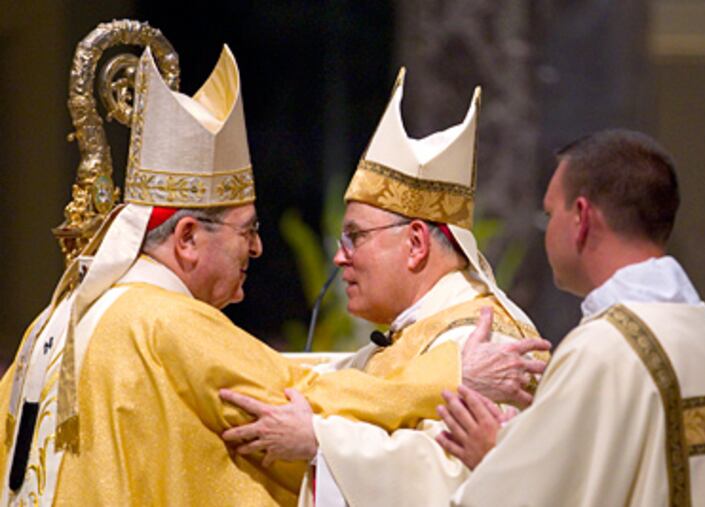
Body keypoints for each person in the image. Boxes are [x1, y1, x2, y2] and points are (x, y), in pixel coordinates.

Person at [0, 47, 506, 506]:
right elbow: (295, 396)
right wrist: (451, 374)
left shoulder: (53, 324)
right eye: (247, 230)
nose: (259, 247)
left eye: (356, 237)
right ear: (188, 238)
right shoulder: (165, 323)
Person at [219, 69, 551, 507]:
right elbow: (320, 386)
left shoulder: (486, 342)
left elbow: (452, 477)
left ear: (415, 243)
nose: (339, 258)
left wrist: (321, 444)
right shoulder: (415, 333)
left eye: (355, 237)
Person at [438, 129, 705, 506]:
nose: (548, 229)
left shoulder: (604, 350)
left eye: (549, 213)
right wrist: (522, 442)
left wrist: (493, 456)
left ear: (582, 218)